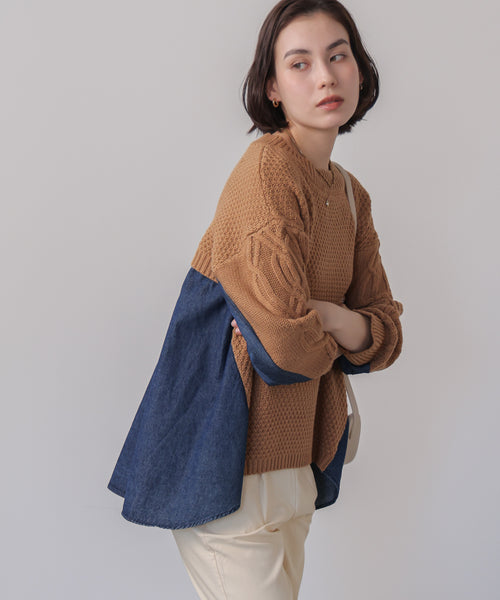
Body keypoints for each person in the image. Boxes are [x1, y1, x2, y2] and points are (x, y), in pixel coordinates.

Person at [107, 1, 403, 598]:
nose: (325, 77)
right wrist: (343, 332)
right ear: (272, 87)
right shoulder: (268, 170)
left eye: (338, 56)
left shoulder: (352, 196)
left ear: (360, 69)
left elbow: (386, 337)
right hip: (231, 469)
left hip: (295, 470)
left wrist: (330, 318)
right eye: (300, 63)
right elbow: (285, 348)